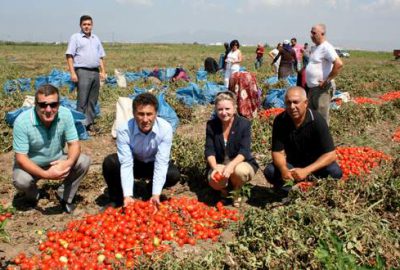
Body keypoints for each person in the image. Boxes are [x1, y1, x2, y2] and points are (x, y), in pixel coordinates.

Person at [12, 84, 91, 213]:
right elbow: (21, 158)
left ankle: (64, 196)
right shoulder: (22, 122)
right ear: (35, 104)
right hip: (31, 164)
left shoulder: (65, 115)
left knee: (84, 161)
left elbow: (74, 144)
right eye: (43, 105)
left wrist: (68, 162)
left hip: (56, 160)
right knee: (21, 180)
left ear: (58, 104)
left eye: (53, 105)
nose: (48, 109)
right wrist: (46, 174)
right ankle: (33, 195)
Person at [102, 93, 181, 208]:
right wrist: (127, 195)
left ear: (156, 114)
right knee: (110, 162)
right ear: (133, 114)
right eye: (140, 114)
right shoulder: (124, 130)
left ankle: (150, 192)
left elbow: (161, 162)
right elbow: (126, 163)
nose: (145, 119)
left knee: (173, 174)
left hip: (152, 165)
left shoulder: (165, 129)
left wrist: (156, 193)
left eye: (149, 114)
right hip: (135, 163)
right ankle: (117, 198)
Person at [263, 87, 342, 191]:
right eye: (288, 103)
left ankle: (309, 185)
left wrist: (306, 170)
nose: (292, 107)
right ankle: (295, 186)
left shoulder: (317, 121)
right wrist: (283, 169)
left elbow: (331, 155)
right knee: (270, 171)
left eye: (296, 102)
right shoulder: (280, 121)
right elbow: (277, 152)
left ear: (305, 103)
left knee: (335, 172)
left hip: (315, 165)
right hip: (293, 165)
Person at [205, 91, 259, 207]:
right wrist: (215, 168)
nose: (224, 113)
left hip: (240, 162)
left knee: (240, 171)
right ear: (216, 110)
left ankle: (236, 191)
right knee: (213, 178)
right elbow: (209, 150)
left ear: (235, 109)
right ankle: (224, 192)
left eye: (227, 109)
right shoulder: (211, 125)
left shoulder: (244, 124)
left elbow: (244, 151)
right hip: (220, 163)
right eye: (220, 109)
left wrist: (231, 166)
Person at [66, 15, 106, 133]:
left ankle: (90, 124)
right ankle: (79, 126)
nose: (87, 26)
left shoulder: (95, 38)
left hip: (95, 71)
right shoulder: (76, 38)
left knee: (92, 100)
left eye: (89, 24)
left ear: (92, 25)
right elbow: (69, 55)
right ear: (80, 25)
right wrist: (72, 73)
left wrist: (103, 71)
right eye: (84, 24)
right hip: (82, 71)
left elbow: (101, 57)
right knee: (82, 100)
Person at [306, 23, 343, 124]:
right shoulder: (316, 48)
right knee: (312, 116)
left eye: (314, 33)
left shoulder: (326, 47)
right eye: (311, 32)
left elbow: (338, 64)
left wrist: (327, 80)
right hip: (313, 88)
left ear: (322, 33)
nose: (311, 35)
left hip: (322, 89)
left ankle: (323, 139)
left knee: (321, 118)